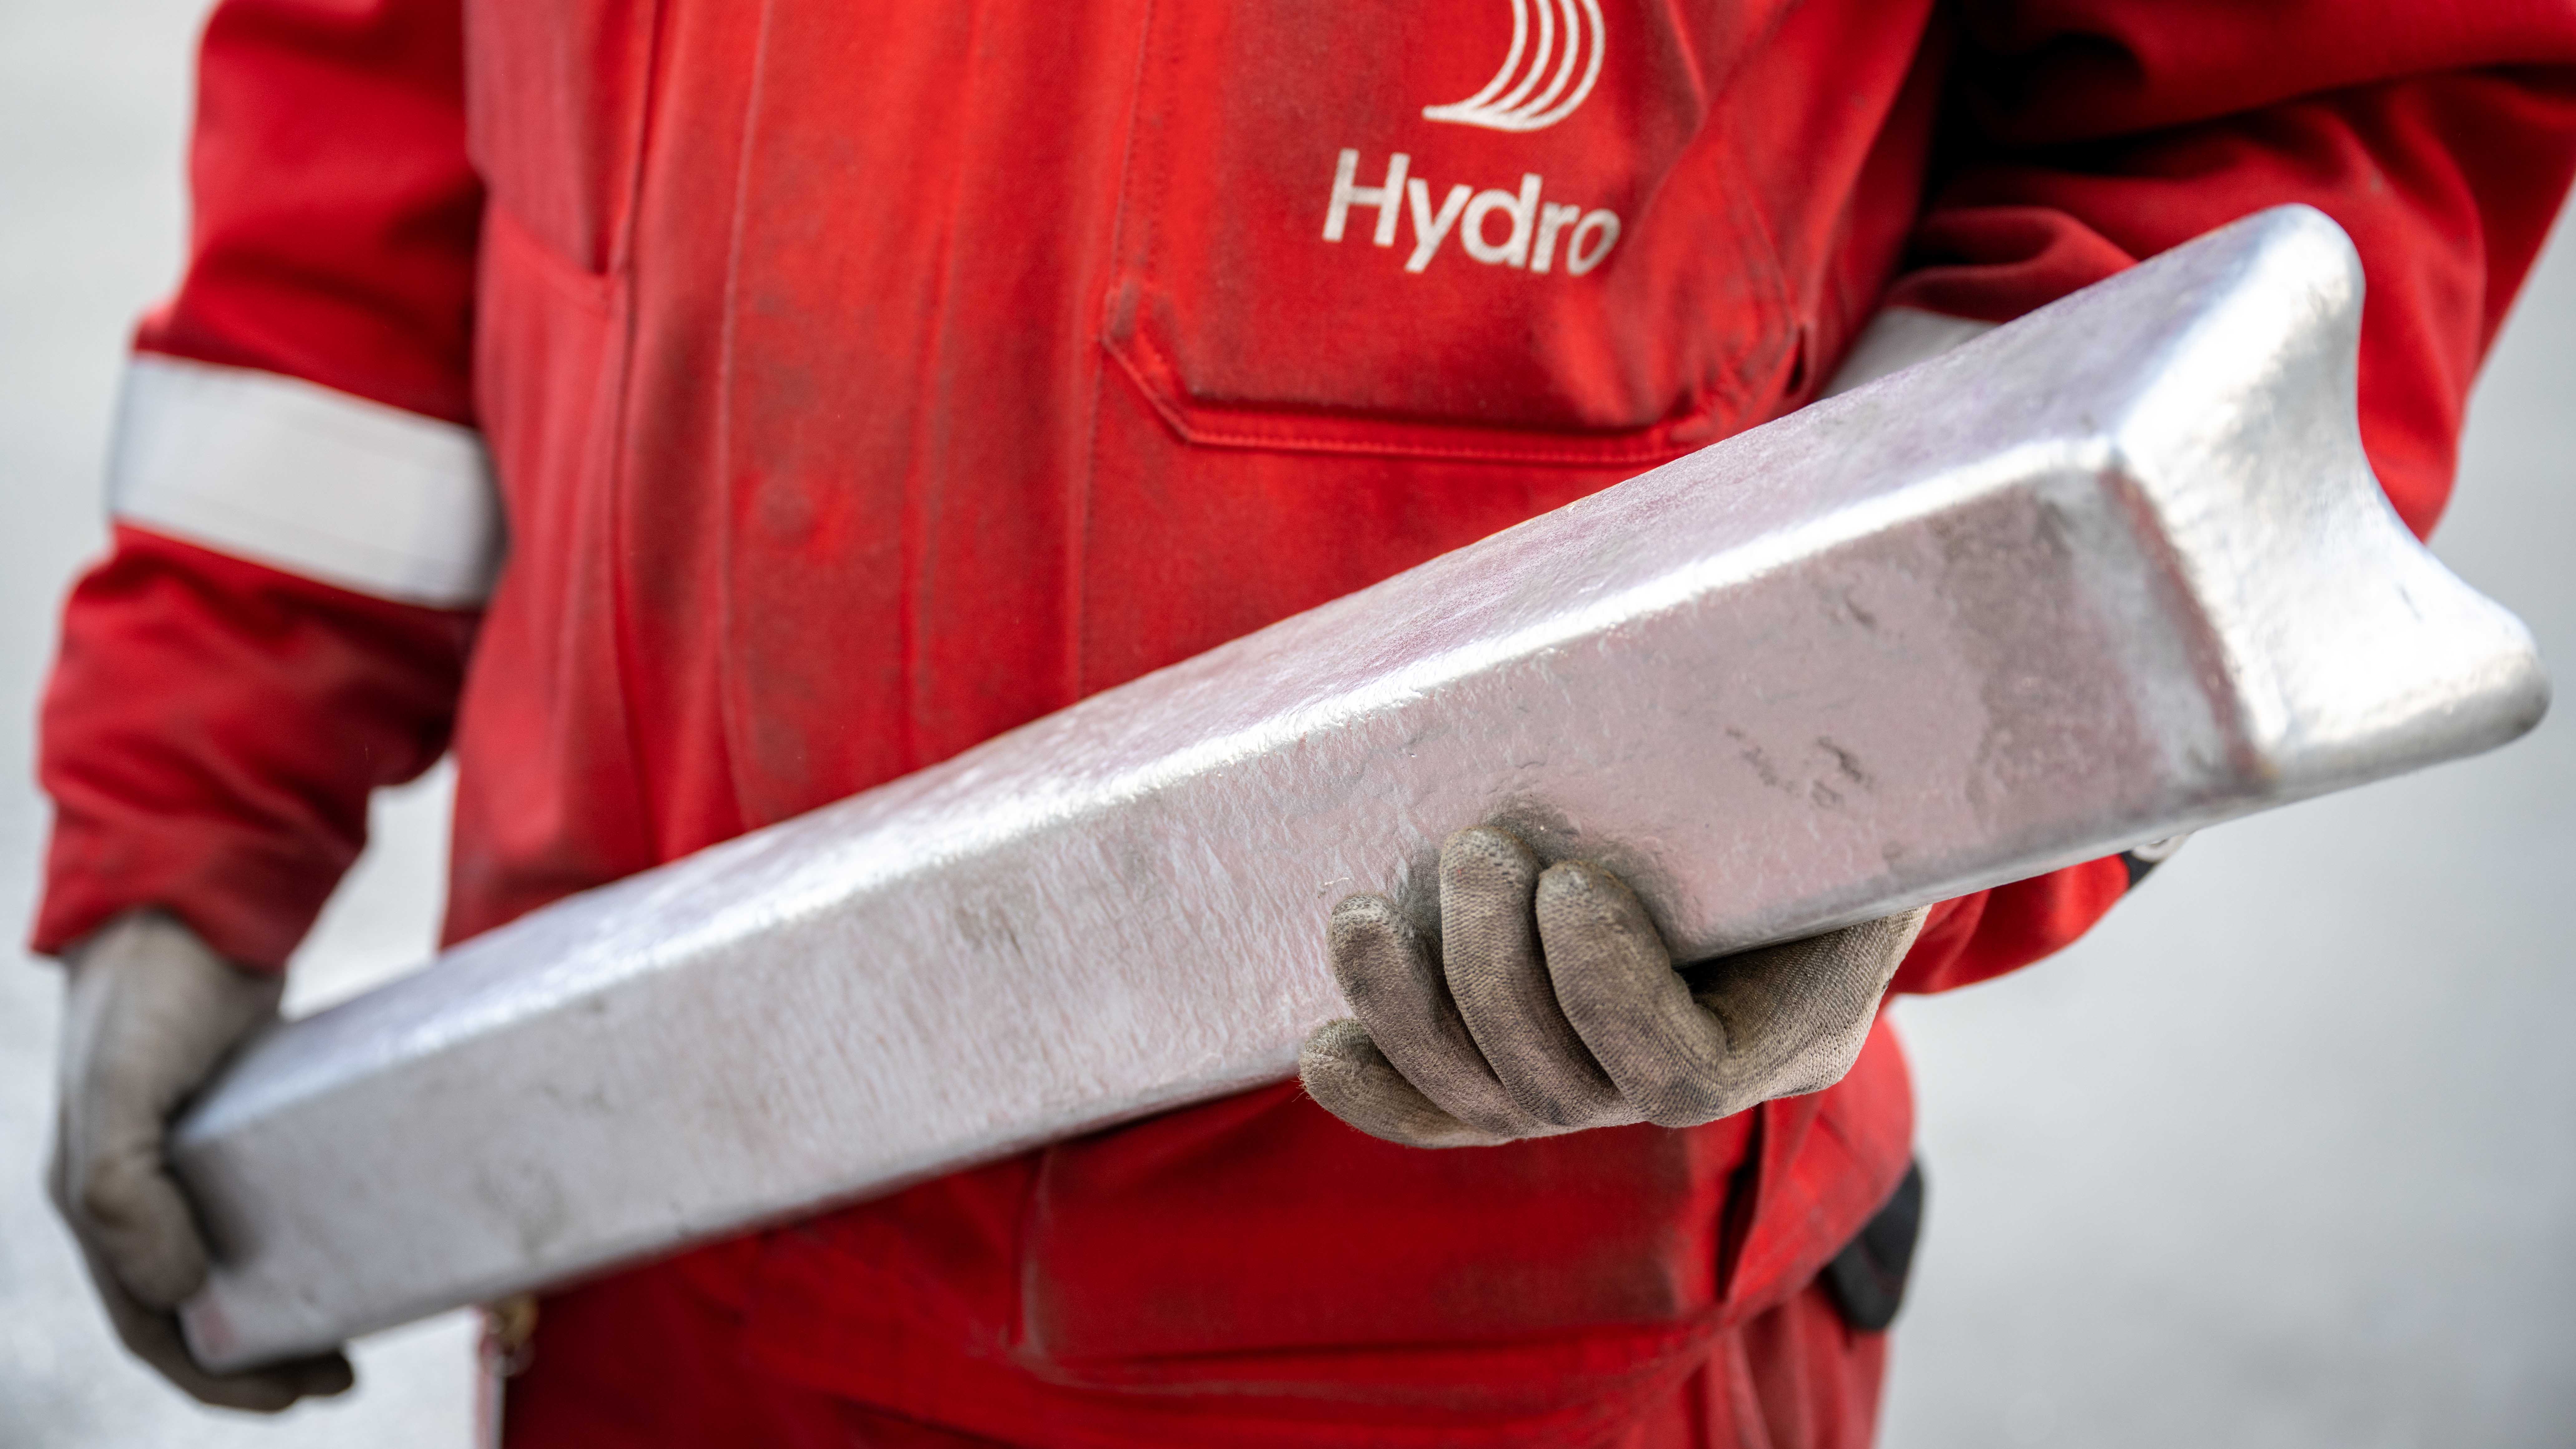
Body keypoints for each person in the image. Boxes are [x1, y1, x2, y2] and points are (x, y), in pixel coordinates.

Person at [35, 1, 2576, 1443]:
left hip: (1454, 1359)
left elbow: (2292, 104)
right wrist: (184, 806)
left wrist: (1906, 755)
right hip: (650, 1287)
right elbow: (379, 121)